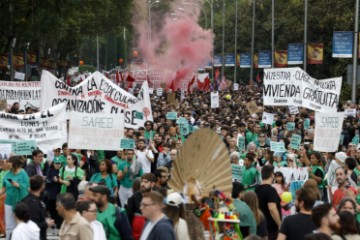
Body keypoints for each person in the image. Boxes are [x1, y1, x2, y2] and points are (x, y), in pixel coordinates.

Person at [0, 155, 29, 240]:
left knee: (21, 225)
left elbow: (28, 188)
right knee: (9, 226)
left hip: (21, 203)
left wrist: (18, 185)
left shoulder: (23, 173)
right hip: (8, 202)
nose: (7, 164)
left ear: (15, 163)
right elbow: (3, 189)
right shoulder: (7, 174)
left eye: (9, 162)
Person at [22, 175, 55, 240]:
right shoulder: (32, 203)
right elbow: (32, 225)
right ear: (42, 186)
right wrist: (46, 223)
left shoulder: (38, 199)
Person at [255, 165, 281, 240]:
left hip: (260, 225)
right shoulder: (271, 190)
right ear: (272, 175)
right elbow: (272, 209)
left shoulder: (257, 189)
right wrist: (280, 224)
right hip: (270, 228)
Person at [45, 157, 63, 229]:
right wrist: (53, 180)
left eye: (59, 163)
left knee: (59, 211)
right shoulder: (50, 170)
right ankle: (53, 225)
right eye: (56, 163)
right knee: (52, 210)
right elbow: (46, 181)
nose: (57, 165)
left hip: (59, 194)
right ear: (53, 163)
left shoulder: (62, 170)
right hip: (51, 195)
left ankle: (59, 225)